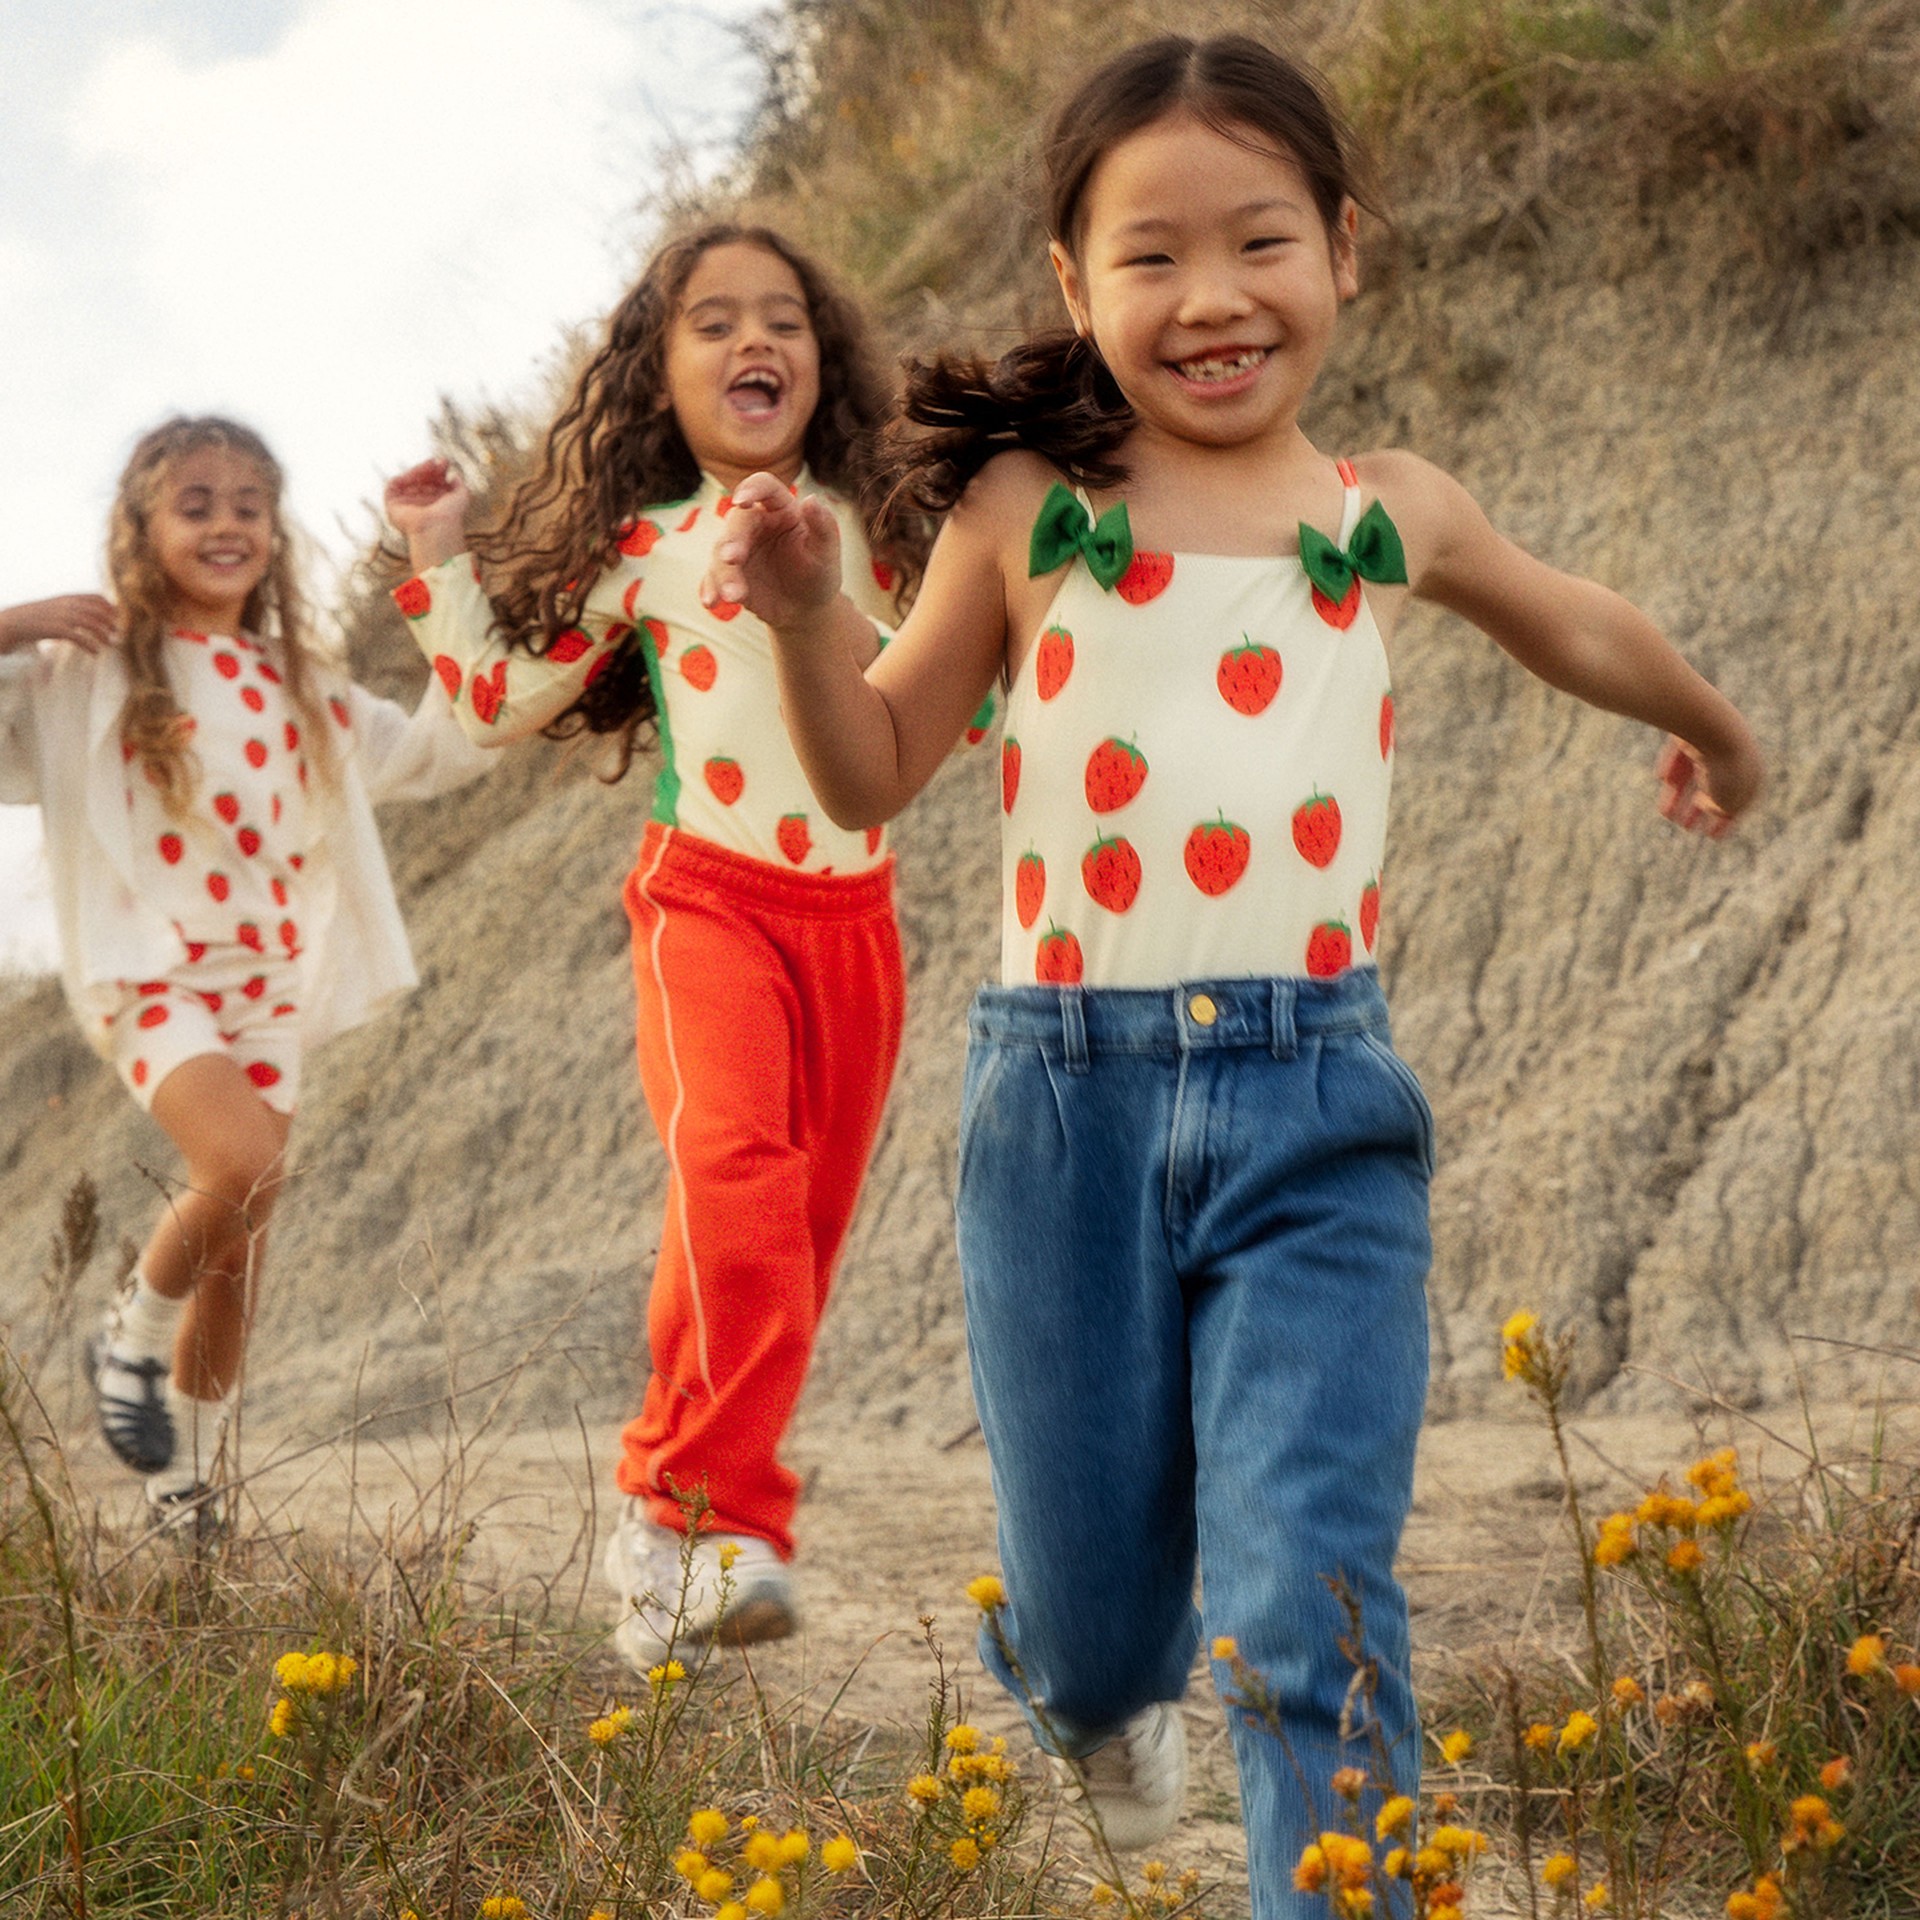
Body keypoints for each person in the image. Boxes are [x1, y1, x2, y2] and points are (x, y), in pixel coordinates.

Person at [702, 34, 1765, 1914]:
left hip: (1318, 1114)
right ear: (1072, 286)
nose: (1212, 299)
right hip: (1064, 1120)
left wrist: (1713, 727)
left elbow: (1571, 616)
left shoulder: (1386, 509)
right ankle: (1095, 1695)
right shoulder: (1031, 508)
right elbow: (870, 771)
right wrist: (802, 619)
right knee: (1100, 1630)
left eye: (1261, 241)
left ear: (1345, 250)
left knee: (1309, 1608)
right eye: (1151, 257)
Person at [383, 223, 969, 1670]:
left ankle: (659, 1505)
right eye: (712, 323)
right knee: (735, 1182)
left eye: (784, 317)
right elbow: (491, 702)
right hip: (706, 897)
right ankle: (727, 1522)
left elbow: (975, 697)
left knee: (794, 1241)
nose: (753, 340)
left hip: (859, 922)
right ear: (660, 373)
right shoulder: (650, 548)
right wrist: (435, 557)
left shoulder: (882, 532)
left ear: (823, 359)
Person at [0, 415, 491, 1530]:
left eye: (248, 506)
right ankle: (125, 1336)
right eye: (195, 504)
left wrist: (436, 560)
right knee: (241, 1157)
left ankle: (187, 1486)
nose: (226, 525)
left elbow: (444, 749)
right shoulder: (82, 672)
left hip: (268, 990)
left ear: (274, 528)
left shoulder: (299, 684)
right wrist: (16, 622)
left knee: (242, 1242)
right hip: (150, 975)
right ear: (141, 529)